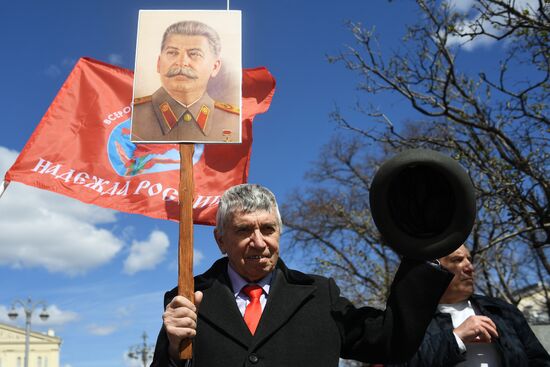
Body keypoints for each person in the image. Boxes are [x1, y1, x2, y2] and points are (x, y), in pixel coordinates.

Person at [150, 183, 454, 367]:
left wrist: (423, 248)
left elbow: (391, 341)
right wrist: (175, 353)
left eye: (268, 229)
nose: (259, 241)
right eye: (244, 230)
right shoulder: (188, 298)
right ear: (220, 240)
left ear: (279, 233)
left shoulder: (320, 295)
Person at [389, 245, 550, 367]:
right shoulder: (411, 320)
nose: (470, 267)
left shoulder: (501, 310)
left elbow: (539, 360)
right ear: (432, 269)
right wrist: (456, 338)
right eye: (457, 260)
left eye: (469, 259)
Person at [131, 20, 240, 143]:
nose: (182, 62)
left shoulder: (234, 122)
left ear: (214, 67)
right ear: (159, 63)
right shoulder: (131, 117)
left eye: (194, 54)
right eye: (172, 53)